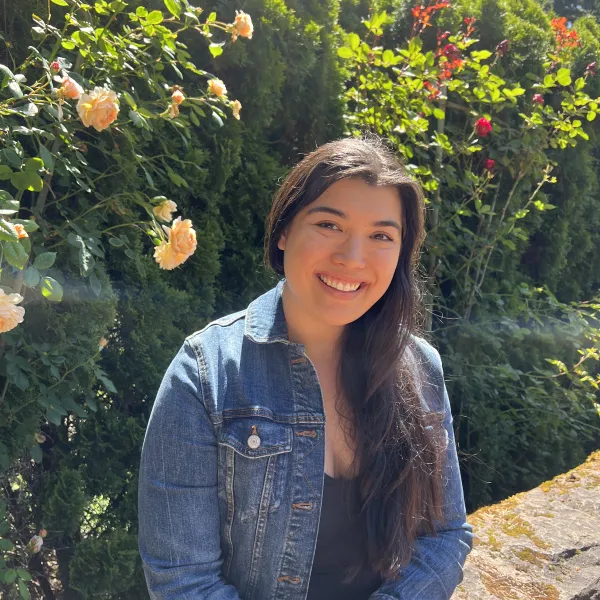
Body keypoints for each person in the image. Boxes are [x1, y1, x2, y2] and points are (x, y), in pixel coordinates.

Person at [137, 135, 474, 600]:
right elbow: (183, 581)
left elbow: (444, 535)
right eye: (329, 224)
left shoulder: (419, 366)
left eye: (381, 235)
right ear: (283, 232)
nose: (352, 258)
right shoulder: (204, 375)